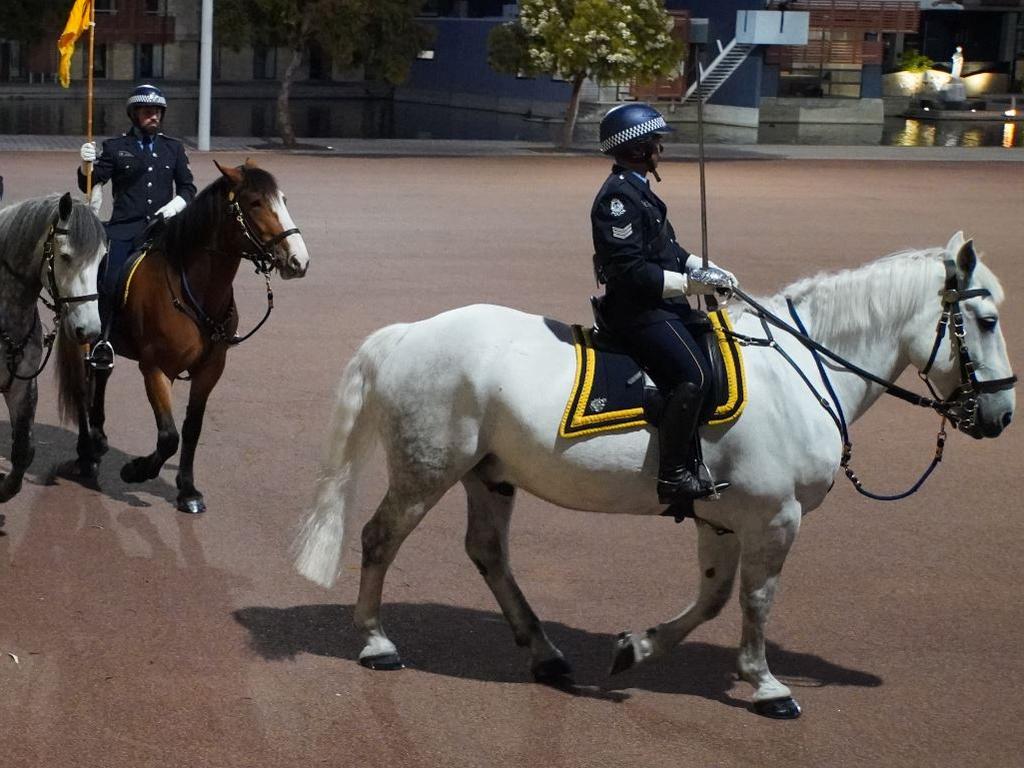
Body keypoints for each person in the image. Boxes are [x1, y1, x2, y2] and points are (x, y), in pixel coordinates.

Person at [590, 102, 736, 503]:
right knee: (696, 377)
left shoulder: (639, 191)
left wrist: (705, 269)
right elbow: (632, 272)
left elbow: (667, 248)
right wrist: (690, 286)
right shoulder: (617, 199)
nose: (661, 149)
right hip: (635, 311)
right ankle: (673, 476)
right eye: (656, 141)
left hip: (656, 305)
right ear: (638, 149)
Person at [77, 83, 196, 300]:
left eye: (158, 112)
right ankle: (106, 332)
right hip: (125, 229)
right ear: (134, 115)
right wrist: (86, 165)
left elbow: (188, 188)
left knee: (192, 278)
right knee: (110, 282)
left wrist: (174, 207)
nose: (155, 117)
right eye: (148, 112)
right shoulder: (115, 147)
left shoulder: (174, 148)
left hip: (163, 229)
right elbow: (91, 182)